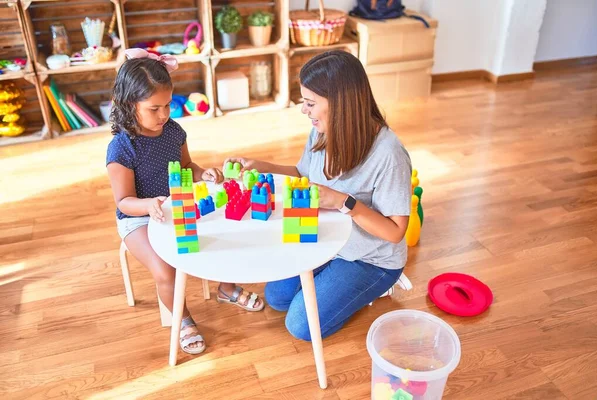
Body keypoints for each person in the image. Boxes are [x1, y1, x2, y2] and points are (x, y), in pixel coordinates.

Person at [224, 50, 412, 341]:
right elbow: (303, 175)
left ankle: (377, 287)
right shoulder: (322, 131)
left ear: (340, 105)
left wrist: (343, 202)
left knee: (300, 325)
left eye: (310, 103)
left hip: (370, 259)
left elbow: (396, 232)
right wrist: (261, 166)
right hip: (327, 239)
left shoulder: (389, 153)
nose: (304, 110)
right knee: (276, 298)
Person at [106, 49, 264, 355]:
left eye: (167, 105)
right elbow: (124, 201)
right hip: (138, 218)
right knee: (166, 270)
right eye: (154, 108)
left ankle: (227, 288)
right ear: (129, 105)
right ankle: (183, 319)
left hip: (176, 204)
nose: (164, 115)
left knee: (226, 230)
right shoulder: (122, 148)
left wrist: (204, 174)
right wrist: (150, 205)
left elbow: (187, 167)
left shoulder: (173, 131)